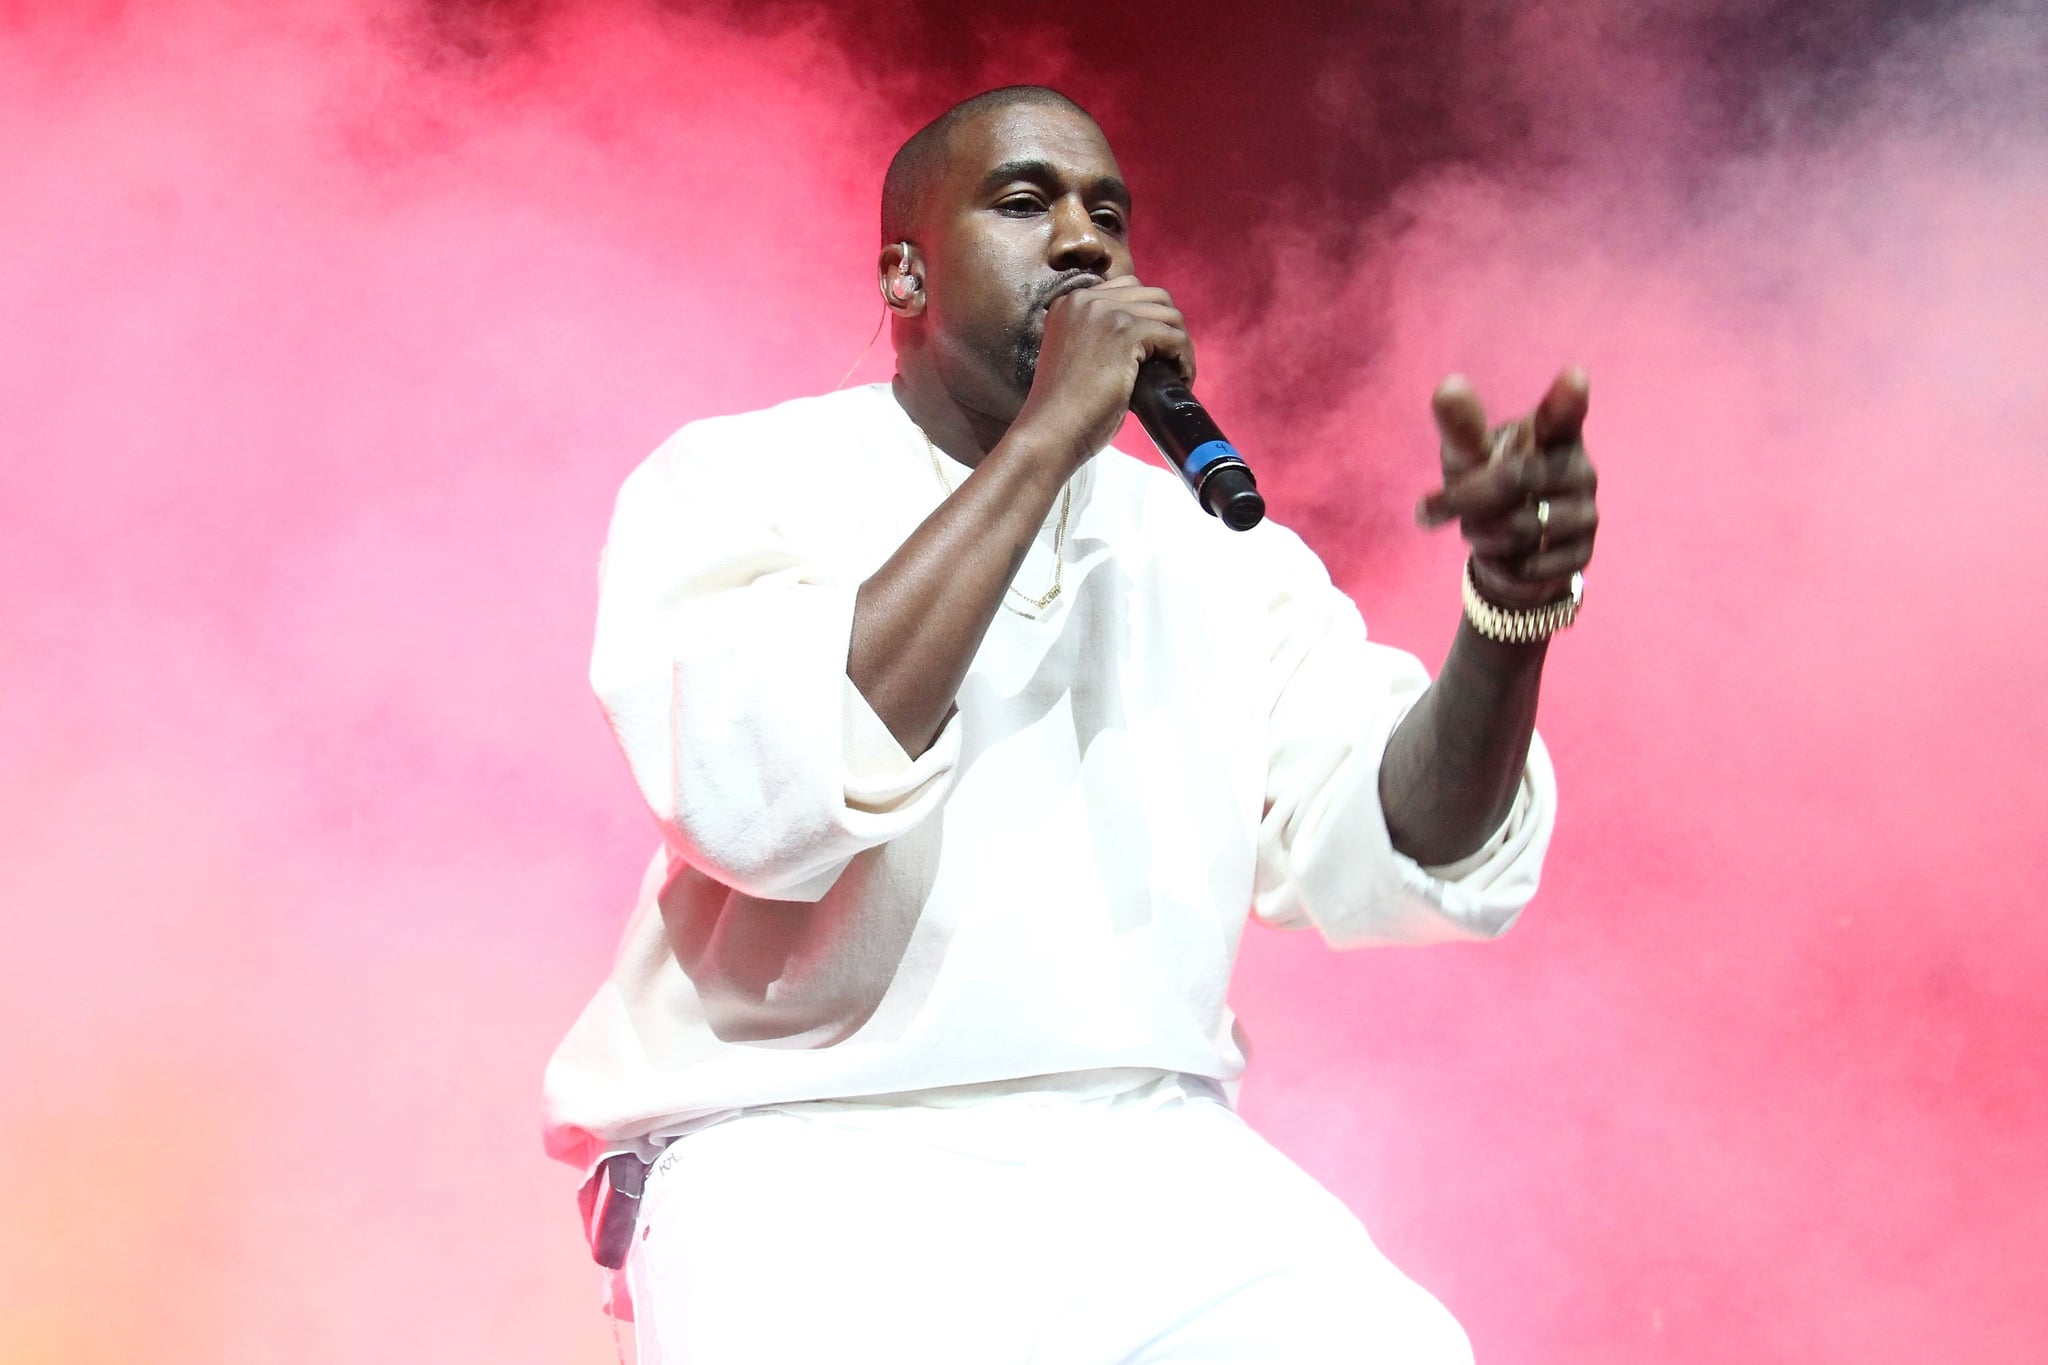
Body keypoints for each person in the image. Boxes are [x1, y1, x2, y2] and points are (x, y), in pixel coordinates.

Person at [544, 85, 1600, 1364]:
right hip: (791, 1144)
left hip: (1139, 1145)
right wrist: (1050, 433)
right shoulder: (739, 480)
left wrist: (1504, 620)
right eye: (1023, 200)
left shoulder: (1212, 553)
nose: (1084, 241)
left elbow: (1402, 837)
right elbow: (759, 804)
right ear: (904, 272)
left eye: (1109, 213)